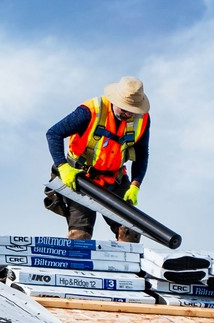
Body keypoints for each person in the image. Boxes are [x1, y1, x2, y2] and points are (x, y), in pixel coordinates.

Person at [44, 77, 151, 241]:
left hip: (115, 180)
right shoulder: (90, 111)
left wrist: (135, 185)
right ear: (115, 100)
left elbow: (142, 154)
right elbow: (53, 133)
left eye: (132, 110)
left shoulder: (142, 119)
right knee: (80, 236)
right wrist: (63, 166)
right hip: (82, 179)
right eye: (124, 109)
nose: (128, 114)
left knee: (130, 233)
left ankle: (124, 266)